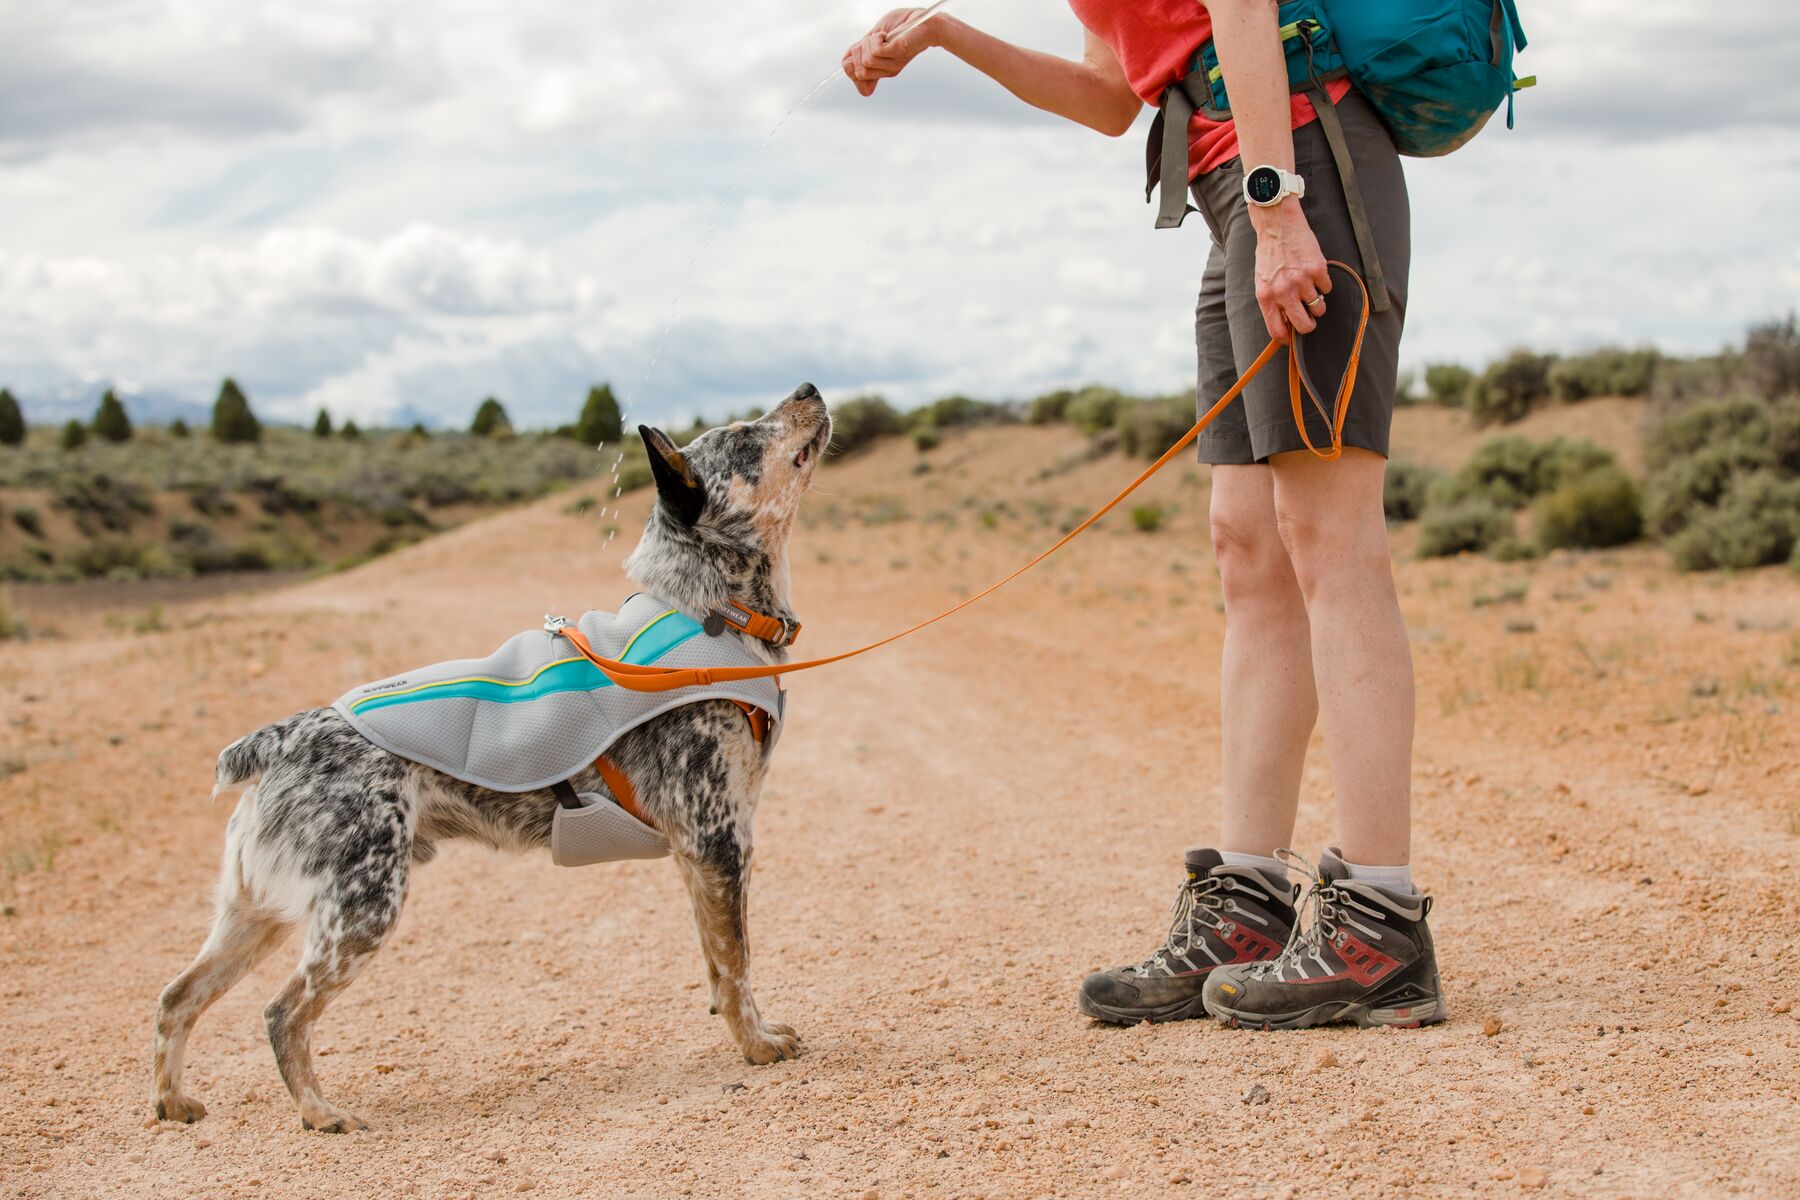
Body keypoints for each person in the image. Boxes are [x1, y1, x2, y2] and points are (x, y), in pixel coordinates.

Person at [844, 0, 1444, 1030]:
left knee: (1330, 541)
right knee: (1249, 550)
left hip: (1299, 169)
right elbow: (1113, 97)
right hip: (1235, 192)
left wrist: (1274, 206)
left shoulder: (1282, 191)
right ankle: (1246, 909)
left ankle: (1378, 928)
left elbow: (1246, 7)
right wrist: (948, 36)